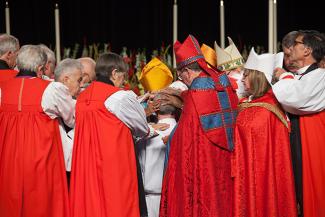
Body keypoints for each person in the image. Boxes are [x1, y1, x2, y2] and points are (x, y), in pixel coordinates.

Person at [160, 35, 238, 217]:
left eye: (181, 75)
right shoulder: (223, 84)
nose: (182, 79)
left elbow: (184, 139)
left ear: (187, 71)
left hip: (202, 164)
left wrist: (170, 139)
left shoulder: (195, 93)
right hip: (224, 159)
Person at [70, 52, 156, 217]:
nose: (123, 81)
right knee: (118, 204)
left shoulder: (82, 97)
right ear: (114, 73)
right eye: (122, 76)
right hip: (115, 163)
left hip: (88, 162)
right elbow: (141, 127)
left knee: (94, 205)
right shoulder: (119, 97)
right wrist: (153, 129)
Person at [0, 45, 77, 217]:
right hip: (41, 157)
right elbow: (72, 118)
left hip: (9, 159)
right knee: (42, 204)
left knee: (9, 204)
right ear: (40, 68)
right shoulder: (51, 89)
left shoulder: (2, 89)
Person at [232, 48, 297, 217]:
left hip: (259, 176)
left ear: (257, 77)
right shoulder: (249, 103)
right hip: (245, 171)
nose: (242, 80)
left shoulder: (267, 108)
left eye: (246, 75)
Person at [273, 30, 325, 217]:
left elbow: (296, 98)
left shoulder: (320, 76)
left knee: (313, 192)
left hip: (313, 145)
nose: (291, 47)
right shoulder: (301, 76)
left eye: (296, 43)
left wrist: (284, 77)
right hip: (299, 142)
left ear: (307, 50)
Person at [138, 94, 177, 217]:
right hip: (176, 197)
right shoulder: (183, 130)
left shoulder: (142, 133)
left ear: (155, 109)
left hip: (149, 199)